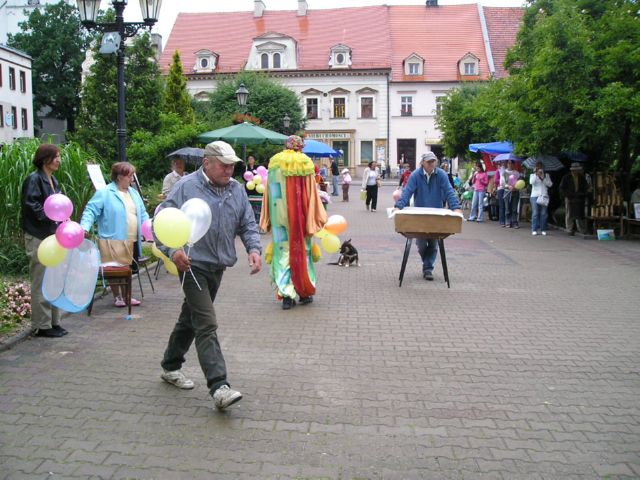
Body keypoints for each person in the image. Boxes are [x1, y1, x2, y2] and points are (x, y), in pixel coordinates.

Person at [158, 141, 262, 410]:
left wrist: (254, 249)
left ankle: (170, 365)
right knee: (206, 322)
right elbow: (162, 219)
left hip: (218, 265)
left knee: (190, 318)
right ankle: (219, 386)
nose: (229, 170)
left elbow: (247, 223)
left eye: (232, 166)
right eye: (224, 165)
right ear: (207, 163)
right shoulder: (186, 187)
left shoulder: (236, 189)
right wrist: (172, 250)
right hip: (191, 265)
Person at [260, 135, 327, 310]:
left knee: (282, 254)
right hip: (300, 218)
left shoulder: (275, 163)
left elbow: (269, 192)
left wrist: (267, 217)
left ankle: (286, 295)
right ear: (300, 147)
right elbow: (312, 194)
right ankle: (304, 292)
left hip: (279, 218)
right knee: (303, 253)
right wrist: (314, 216)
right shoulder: (305, 163)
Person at [81, 162, 149, 307]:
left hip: (132, 239)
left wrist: (148, 228)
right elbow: (90, 210)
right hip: (112, 239)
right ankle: (117, 297)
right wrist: (84, 227)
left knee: (128, 268)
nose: (132, 179)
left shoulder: (134, 193)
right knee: (115, 270)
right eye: (129, 176)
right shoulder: (105, 192)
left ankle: (127, 296)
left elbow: (142, 213)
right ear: (119, 177)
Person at [20, 144, 66, 338]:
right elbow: (31, 206)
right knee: (41, 279)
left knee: (54, 278)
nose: (59, 160)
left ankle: (54, 321)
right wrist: (51, 217)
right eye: (56, 157)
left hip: (52, 237)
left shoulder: (53, 180)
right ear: (45, 158)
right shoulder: (34, 179)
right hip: (38, 236)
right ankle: (42, 325)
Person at [394, 152, 462, 281]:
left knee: (433, 243)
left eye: (433, 161)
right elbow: (407, 191)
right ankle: (427, 263)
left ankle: (428, 268)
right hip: (420, 214)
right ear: (423, 163)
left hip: (437, 214)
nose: (431, 164)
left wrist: (456, 207)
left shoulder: (441, 174)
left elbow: (449, 191)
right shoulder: (415, 175)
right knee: (420, 244)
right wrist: (398, 206)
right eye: (429, 162)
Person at [560, 162, 590, 235]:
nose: (577, 171)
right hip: (569, 197)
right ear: (572, 170)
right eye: (575, 170)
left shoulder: (581, 178)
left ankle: (581, 229)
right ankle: (569, 229)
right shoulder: (566, 177)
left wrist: (584, 193)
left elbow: (585, 187)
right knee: (569, 213)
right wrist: (567, 195)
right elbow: (562, 188)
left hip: (579, 197)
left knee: (580, 213)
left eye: (578, 170)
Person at [529, 162, 553, 236]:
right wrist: (536, 174)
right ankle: (534, 229)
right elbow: (531, 182)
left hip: (544, 196)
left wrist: (543, 178)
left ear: (543, 168)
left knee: (543, 213)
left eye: (541, 167)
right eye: (538, 167)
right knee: (535, 213)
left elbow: (550, 184)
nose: (540, 168)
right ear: (536, 168)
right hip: (535, 196)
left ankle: (543, 229)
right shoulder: (533, 175)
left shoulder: (546, 175)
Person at [244, 155, 262, 225]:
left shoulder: (257, 167)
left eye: (251, 158)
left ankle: (257, 219)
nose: (250, 160)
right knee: (249, 204)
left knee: (257, 204)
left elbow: (260, 176)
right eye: (249, 159)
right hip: (249, 187)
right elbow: (243, 176)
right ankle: (249, 219)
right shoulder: (246, 168)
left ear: (254, 160)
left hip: (257, 188)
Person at [504, 160, 521, 228]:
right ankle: (508, 221)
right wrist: (508, 186)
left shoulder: (516, 173)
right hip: (507, 191)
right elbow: (502, 183)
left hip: (515, 191)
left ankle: (514, 222)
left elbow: (519, 182)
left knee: (514, 208)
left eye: (511, 163)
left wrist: (516, 187)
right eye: (509, 163)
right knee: (507, 208)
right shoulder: (504, 172)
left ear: (513, 164)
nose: (510, 164)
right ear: (507, 164)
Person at [494, 159, 507, 227]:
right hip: (501, 189)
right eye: (502, 162)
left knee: (507, 206)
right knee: (502, 206)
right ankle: (502, 221)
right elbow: (495, 180)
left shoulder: (507, 171)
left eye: (505, 162)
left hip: (507, 189)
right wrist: (502, 179)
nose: (503, 164)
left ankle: (507, 221)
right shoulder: (498, 171)